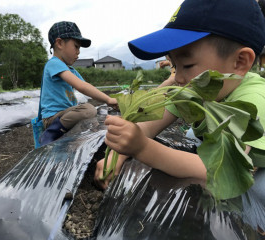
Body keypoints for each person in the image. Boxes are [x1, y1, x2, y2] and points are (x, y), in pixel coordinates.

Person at [94, 0, 265, 189]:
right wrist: (116, 156)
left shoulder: (254, 98)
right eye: (174, 66)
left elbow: (225, 170)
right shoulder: (188, 88)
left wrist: (143, 148)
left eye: (188, 65)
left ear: (240, 62)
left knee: (255, 191)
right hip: (217, 150)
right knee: (193, 136)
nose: (178, 78)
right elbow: (149, 126)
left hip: (252, 168)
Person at [39, 21, 118, 146]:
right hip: (53, 118)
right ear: (59, 43)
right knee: (88, 110)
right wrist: (108, 99)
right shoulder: (53, 63)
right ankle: (51, 133)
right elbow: (82, 86)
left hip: (66, 115)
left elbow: (88, 87)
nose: (78, 52)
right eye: (76, 46)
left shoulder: (70, 70)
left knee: (90, 115)